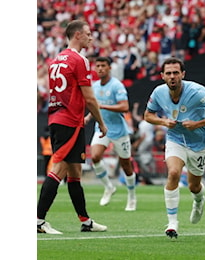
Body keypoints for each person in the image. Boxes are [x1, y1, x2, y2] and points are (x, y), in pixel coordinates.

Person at [144, 57, 205, 239]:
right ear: (162, 76)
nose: (172, 76)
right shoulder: (158, 92)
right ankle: (172, 223)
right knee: (173, 173)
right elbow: (148, 115)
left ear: (183, 74)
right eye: (168, 73)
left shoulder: (197, 91)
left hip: (198, 143)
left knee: (194, 186)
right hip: (175, 139)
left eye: (176, 72)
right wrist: (163, 121)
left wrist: (198, 123)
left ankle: (199, 201)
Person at [37, 20, 108, 234]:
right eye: (87, 34)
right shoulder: (80, 60)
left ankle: (85, 221)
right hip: (69, 121)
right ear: (77, 35)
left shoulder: (55, 60)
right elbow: (89, 98)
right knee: (58, 169)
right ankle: (38, 220)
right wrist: (101, 123)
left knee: (75, 171)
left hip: (57, 118)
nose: (91, 37)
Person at [84, 56, 137, 211]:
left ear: (109, 68)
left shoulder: (117, 86)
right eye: (98, 66)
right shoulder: (94, 86)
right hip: (101, 128)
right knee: (94, 157)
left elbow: (124, 107)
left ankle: (132, 197)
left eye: (103, 66)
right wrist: (88, 117)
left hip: (119, 131)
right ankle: (109, 187)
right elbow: (95, 107)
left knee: (126, 165)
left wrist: (103, 106)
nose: (100, 68)